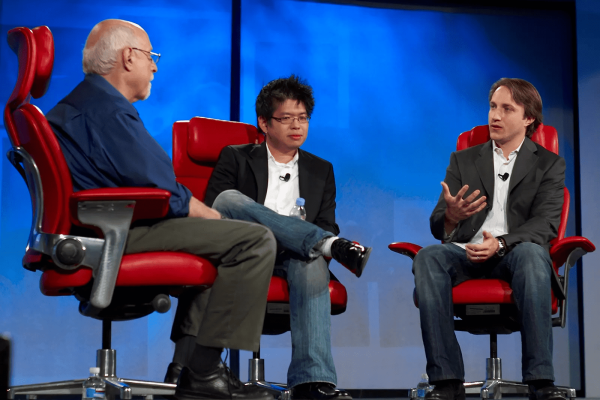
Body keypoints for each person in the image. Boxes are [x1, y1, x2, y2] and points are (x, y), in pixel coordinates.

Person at [45, 19, 279, 400]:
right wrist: (218, 219)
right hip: (118, 233)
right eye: (151, 57)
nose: (154, 66)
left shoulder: (81, 104)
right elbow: (166, 191)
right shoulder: (108, 111)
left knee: (224, 244)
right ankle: (203, 371)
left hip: (102, 228)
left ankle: (186, 368)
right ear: (128, 57)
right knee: (253, 241)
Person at [166, 76, 371, 400]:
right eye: (286, 118)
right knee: (231, 199)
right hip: (242, 249)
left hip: (295, 255)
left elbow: (326, 222)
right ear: (264, 122)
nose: (296, 126)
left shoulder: (321, 170)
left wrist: (309, 236)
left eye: (302, 118)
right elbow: (216, 211)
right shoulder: (235, 157)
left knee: (312, 261)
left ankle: (312, 383)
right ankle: (326, 245)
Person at [413, 78, 566, 400]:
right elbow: (438, 226)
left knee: (532, 253)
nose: (495, 116)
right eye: (493, 107)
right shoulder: (464, 160)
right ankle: (446, 381)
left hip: (515, 253)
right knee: (428, 256)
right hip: (465, 251)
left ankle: (541, 382)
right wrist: (452, 216)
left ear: (529, 119)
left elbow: (546, 225)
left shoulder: (549, 164)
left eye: (507, 109)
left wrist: (501, 243)